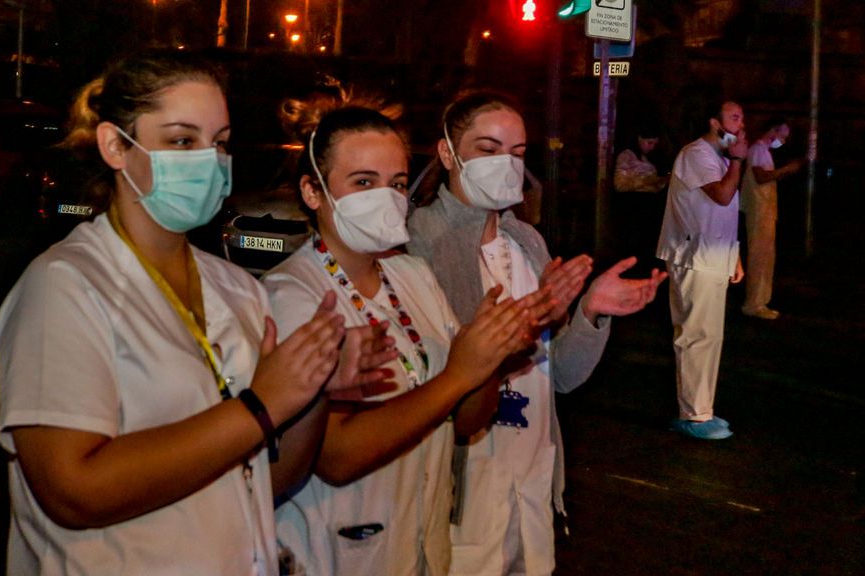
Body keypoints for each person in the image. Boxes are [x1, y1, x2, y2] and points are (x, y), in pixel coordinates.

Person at [0, 51, 390, 575]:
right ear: (115, 146)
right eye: (182, 140)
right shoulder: (64, 285)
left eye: (219, 142)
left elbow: (267, 480)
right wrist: (259, 405)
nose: (209, 159)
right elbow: (72, 492)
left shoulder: (237, 288)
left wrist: (311, 390)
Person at [265, 101, 555, 576]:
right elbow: (335, 458)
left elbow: (465, 421)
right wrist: (459, 374)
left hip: (422, 545)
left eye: (397, 184)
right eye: (363, 182)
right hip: (334, 552)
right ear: (313, 192)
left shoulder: (412, 277)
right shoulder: (292, 296)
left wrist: (491, 356)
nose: (386, 197)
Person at [407, 90, 667, 576]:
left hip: (530, 482)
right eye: (487, 149)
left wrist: (590, 312)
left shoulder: (527, 242)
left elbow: (562, 377)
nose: (505, 164)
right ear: (447, 154)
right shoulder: (419, 244)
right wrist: (527, 327)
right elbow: (431, 383)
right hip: (457, 493)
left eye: (518, 152)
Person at [657, 100, 747, 441]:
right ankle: (694, 415)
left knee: (710, 337)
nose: (741, 124)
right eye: (734, 117)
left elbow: (722, 215)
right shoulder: (696, 155)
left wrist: (733, 254)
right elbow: (723, 196)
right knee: (696, 335)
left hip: (712, 257)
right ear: (714, 122)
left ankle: (701, 410)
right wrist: (737, 159)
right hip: (693, 257)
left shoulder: (719, 158)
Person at [740, 116, 804, 319]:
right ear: (773, 131)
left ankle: (760, 301)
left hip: (765, 211)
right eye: (782, 135)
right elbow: (761, 177)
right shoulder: (758, 149)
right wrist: (786, 170)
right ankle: (754, 303)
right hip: (759, 212)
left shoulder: (764, 151)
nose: (783, 140)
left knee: (766, 256)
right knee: (760, 257)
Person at [613, 125, 671, 266]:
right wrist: (648, 181)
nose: (651, 147)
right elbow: (620, 184)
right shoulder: (627, 156)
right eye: (649, 143)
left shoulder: (646, 157)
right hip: (633, 205)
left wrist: (663, 181)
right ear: (639, 138)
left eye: (654, 144)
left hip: (647, 205)